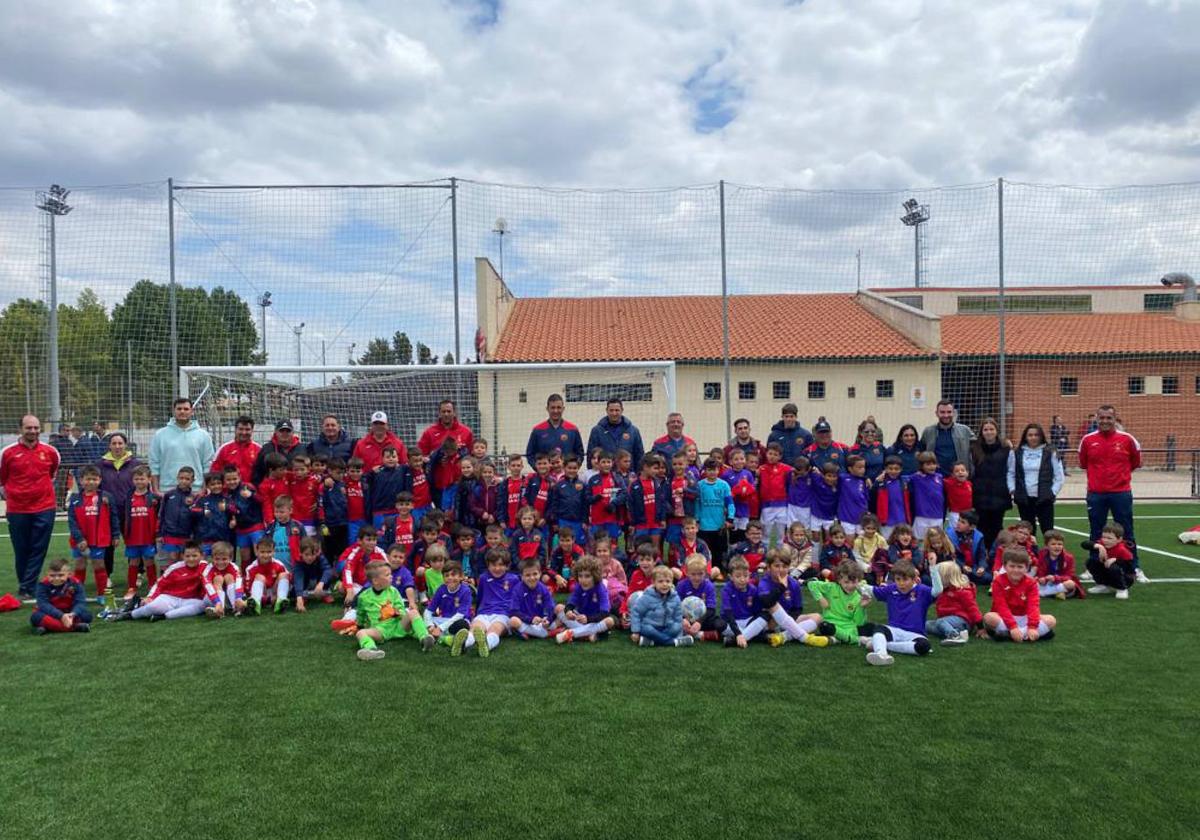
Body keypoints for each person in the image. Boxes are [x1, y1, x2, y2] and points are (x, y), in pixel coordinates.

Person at [1078, 404, 1143, 581]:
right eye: (1102, 418)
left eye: (1109, 418)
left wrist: (1119, 478)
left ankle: (1133, 567)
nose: (1105, 421)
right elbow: (1083, 463)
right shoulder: (1088, 440)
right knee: (1096, 531)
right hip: (1096, 494)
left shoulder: (1128, 439)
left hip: (1120, 493)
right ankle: (1094, 567)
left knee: (1126, 531)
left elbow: (1135, 463)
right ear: (1096, 419)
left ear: (1115, 419)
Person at [1, 416, 62, 599]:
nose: (33, 431)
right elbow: (2, 479)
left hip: (45, 507)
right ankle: (27, 586)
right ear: (21, 429)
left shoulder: (51, 452)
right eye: (29, 428)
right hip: (17, 509)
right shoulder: (7, 453)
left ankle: (27, 587)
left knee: (39, 548)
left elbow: (52, 474)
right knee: (21, 549)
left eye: (36, 428)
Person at [350, 560, 432, 661]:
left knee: (413, 612)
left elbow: (401, 610)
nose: (391, 576)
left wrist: (396, 612)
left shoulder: (393, 591)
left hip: (397, 626)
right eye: (387, 575)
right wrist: (359, 626)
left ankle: (424, 638)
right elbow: (360, 614)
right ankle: (371, 649)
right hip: (380, 630)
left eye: (390, 574)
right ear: (376, 581)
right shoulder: (363, 597)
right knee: (361, 633)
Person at [115, 541, 217, 621]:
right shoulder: (175, 568)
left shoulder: (205, 566)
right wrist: (150, 597)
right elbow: (159, 584)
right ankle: (130, 614)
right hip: (170, 597)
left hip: (190, 600)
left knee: (202, 605)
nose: (191, 559)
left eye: (194, 556)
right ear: (182, 556)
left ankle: (164, 616)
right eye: (187, 556)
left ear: (202, 556)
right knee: (154, 607)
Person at [861, 559, 936, 666]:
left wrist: (933, 567)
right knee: (879, 628)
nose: (901, 583)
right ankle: (881, 654)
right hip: (894, 631)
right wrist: (856, 583)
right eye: (898, 579)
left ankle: (885, 645)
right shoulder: (891, 589)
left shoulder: (922, 590)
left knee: (924, 646)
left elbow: (938, 590)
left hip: (915, 634)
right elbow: (871, 590)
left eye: (905, 579)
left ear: (914, 579)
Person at [66, 465, 120, 599]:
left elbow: (114, 517)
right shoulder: (75, 499)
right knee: (79, 564)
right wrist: (79, 539)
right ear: (81, 480)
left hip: (99, 539)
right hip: (79, 540)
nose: (91, 482)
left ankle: (102, 594)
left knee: (99, 565)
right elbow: (72, 521)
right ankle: (78, 594)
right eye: (88, 479)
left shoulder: (106, 497)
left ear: (100, 480)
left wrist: (115, 535)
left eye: (94, 479)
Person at [95, 431, 143, 578]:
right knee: (108, 544)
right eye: (114, 443)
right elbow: (95, 484)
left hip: (130, 509)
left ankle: (138, 573)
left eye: (120, 443)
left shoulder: (135, 463)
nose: (117, 446)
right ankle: (107, 575)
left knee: (134, 541)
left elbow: (142, 484)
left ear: (125, 445)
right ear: (109, 445)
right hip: (108, 510)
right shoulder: (100, 464)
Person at [758, 550, 828, 648]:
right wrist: (782, 587)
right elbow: (767, 603)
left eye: (784, 567)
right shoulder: (764, 582)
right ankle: (804, 637)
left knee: (818, 617)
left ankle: (783, 637)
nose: (781, 569)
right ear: (769, 567)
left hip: (787, 621)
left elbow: (797, 609)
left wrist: (788, 620)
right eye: (777, 566)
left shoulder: (793, 583)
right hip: (769, 622)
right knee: (773, 604)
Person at [985, 548, 1057, 642]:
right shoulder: (998, 581)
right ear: (1005, 566)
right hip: (1005, 617)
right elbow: (1001, 606)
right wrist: (1013, 627)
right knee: (989, 617)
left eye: (1020, 567)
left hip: (1025, 617)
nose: (1016, 570)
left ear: (1026, 568)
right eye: (1012, 566)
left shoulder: (1031, 583)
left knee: (1051, 620)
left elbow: (1033, 606)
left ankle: (1011, 635)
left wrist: (1032, 627)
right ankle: (1027, 635)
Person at [1007, 422, 1064, 536]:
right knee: (1027, 532)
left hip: (1044, 498)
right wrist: (1013, 489)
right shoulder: (1016, 453)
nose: (1033, 437)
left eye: (1036, 435)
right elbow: (1011, 473)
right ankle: (1030, 553)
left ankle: (1050, 553)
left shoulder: (1050, 452)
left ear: (1041, 436)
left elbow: (1059, 476)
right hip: (1024, 499)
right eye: (1030, 435)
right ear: (1025, 436)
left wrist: (1052, 492)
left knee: (1048, 531)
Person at [149, 398, 215, 494]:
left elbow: (208, 464)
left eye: (186, 409)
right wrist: (156, 490)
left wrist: (203, 489)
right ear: (174, 411)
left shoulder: (203, 435)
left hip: (195, 491)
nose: (182, 411)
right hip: (167, 491)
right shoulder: (160, 435)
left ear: (192, 411)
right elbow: (154, 464)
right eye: (179, 409)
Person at [418, 400, 474, 507]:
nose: (446, 414)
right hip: (438, 485)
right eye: (443, 411)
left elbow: (472, 457)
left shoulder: (466, 432)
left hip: (460, 483)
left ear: (454, 413)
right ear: (439, 413)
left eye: (449, 411)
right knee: (442, 517)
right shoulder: (429, 432)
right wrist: (432, 458)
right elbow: (420, 455)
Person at [969, 417, 1012, 551]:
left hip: (999, 493)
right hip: (980, 494)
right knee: (981, 527)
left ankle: (996, 555)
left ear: (996, 431)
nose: (988, 432)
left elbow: (1011, 469)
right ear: (981, 432)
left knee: (996, 527)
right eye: (985, 429)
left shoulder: (1006, 448)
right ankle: (982, 555)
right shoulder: (975, 448)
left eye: (991, 429)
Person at [467, 548, 519, 655]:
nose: (497, 568)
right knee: (475, 627)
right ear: (488, 565)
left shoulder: (514, 579)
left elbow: (518, 600)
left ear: (507, 565)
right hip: (484, 612)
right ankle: (464, 643)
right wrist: (477, 613)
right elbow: (480, 597)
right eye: (493, 565)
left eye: (500, 565)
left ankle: (486, 645)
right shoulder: (483, 578)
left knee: (495, 629)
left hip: (503, 614)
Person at [556, 555, 616, 644]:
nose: (583, 580)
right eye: (580, 576)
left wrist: (588, 619)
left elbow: (605, 612)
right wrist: (568, 611)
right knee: (559, 608)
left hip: (595, 620)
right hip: (580, 619)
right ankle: (587, 634)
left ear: (595, 576)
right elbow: (571, 602)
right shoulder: (579, 586)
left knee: (610, 621)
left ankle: (572, 633)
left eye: (587, 576)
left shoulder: (600, 588)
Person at [629, 564, 694, 648]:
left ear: (672, 582)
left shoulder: (675, 598)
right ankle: (673, 642)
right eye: (660, 581)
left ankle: (653, 642)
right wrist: (635, 631)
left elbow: (678, 617)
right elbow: (636, 612)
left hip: (667, 628)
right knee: (647, 629)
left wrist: (678, 629)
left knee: (676, 627)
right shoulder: (647, 597)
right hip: (651, 627)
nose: (664, 584)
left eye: (668, 581)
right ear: (653, 582)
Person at [924, 561, 985, 645]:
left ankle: (954, 636)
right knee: (926, 624)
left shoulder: (962, 592)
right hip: (947, 620)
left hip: (962, 621)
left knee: (940, 622)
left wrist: (980, 627)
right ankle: (952, 632)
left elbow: (973, 609)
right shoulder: (942, 590)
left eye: (938, 577)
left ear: (947, 578)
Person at [31, 558, 93, 634]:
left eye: (61, 575)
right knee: (35, 617)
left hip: (70, 612)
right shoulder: (43, 584)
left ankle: (49, 627)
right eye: (52, 575)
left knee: (87, 615)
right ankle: (74, 627)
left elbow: (80, 602)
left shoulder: (76, 583)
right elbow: (43, 604)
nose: (56, 578)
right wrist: (61, 616)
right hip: (51, 613)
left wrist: (73, 614)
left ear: (69, 574)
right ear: (47, 574)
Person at [526, 393, 584, 468]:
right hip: (545, 477)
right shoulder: (538, 430)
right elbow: (530, 454)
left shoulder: (572, 429)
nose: (556, 411)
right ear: (547, 409)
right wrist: (539, 469)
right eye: (552, 408)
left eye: (559, 407)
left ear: (563, 409)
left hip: (566, 477)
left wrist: (572, 469)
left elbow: (580, 454)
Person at [586, 398, 645, 472]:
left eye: (617, 410)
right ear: (607, 410)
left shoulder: (633, 431)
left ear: (622, 410)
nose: (614, 413)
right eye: (611, 410)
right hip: (604, 475)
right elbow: (590, 455)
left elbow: (639, 455)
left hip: (627, 476)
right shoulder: (597, 431)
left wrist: (639, 474)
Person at [509, 557, 561, 640]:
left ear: (540, 574)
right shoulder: (517, 590)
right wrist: (530, 619)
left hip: (542, 622)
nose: (532, 578)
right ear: (522, 576)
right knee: (513, 620)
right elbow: (513, 611)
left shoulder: (544, 589)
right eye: (527, 575)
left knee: (560, 609)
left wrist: (547, 619)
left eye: (535, 574)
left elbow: (549, 606)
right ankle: (546, 634)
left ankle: (529, 633)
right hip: (527, 621)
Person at [720, 557, 766, 648]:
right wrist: (738, 632)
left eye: (745, 576)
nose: (742, 579)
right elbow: (728, 613)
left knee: (766, 615)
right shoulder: (726, 589)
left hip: (748, 621)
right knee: (718, 624)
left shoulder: (753, 589)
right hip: (732, 622)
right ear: (731, 577)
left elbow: (758, 611)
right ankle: (751, 635)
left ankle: (733, 640)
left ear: (750, 575)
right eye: (738, 576)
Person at [920, 400, 974, 477]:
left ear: (954, 413)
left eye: (949, 412)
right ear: (936, 413)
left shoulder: (965, 431)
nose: (946, 415)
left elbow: (978, 447)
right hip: (935, 479)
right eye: (942, 412)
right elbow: (921, 453)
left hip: (958, 478)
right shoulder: (928, 432)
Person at [1085, 522, 1136, 600]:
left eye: (1109, 538)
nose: (1105, 540)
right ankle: (1102, 585)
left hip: (1125, 577)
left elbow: (1130, 567)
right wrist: (1098, 546)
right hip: (1109, 573)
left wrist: (1116, 560)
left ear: (1119, 539)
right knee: (1091, 562)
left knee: (1113, 567)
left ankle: (1122, 589)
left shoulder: (1122, 550)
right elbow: (1084, 544)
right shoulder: (1102, 544)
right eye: (1103, 537)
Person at [1035, 530, 1083, 600]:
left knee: (1070, 584)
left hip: (1061, 582)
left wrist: (1056, 578)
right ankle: (1055, 593)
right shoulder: (1042, 554)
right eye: (1053, 544)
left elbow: (1069, 575)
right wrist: (1041, 578)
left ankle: (1045, 593)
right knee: (1033, 582)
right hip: (1046, 582)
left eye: (1059, 544)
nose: (1057, 547)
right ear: (1047, 546)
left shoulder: (1068, 557)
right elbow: (1040, 570)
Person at [212, 416, 260, 485]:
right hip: (228, 493)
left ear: (252, 430)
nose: (244, 432)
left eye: (247, 429)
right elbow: (214, 473)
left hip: (251, 493)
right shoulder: (224, 449)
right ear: (235, 429)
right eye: (240, 429)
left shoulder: (258, 450)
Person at [250, 420, 301, 484]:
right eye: (281, 431)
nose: (284, 433)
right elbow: (258, 471)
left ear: (293, 433)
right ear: (276, 432)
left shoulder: (302, 448)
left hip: (296, 489)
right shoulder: (267, 449)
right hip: (272, 490)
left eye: (288, 431)